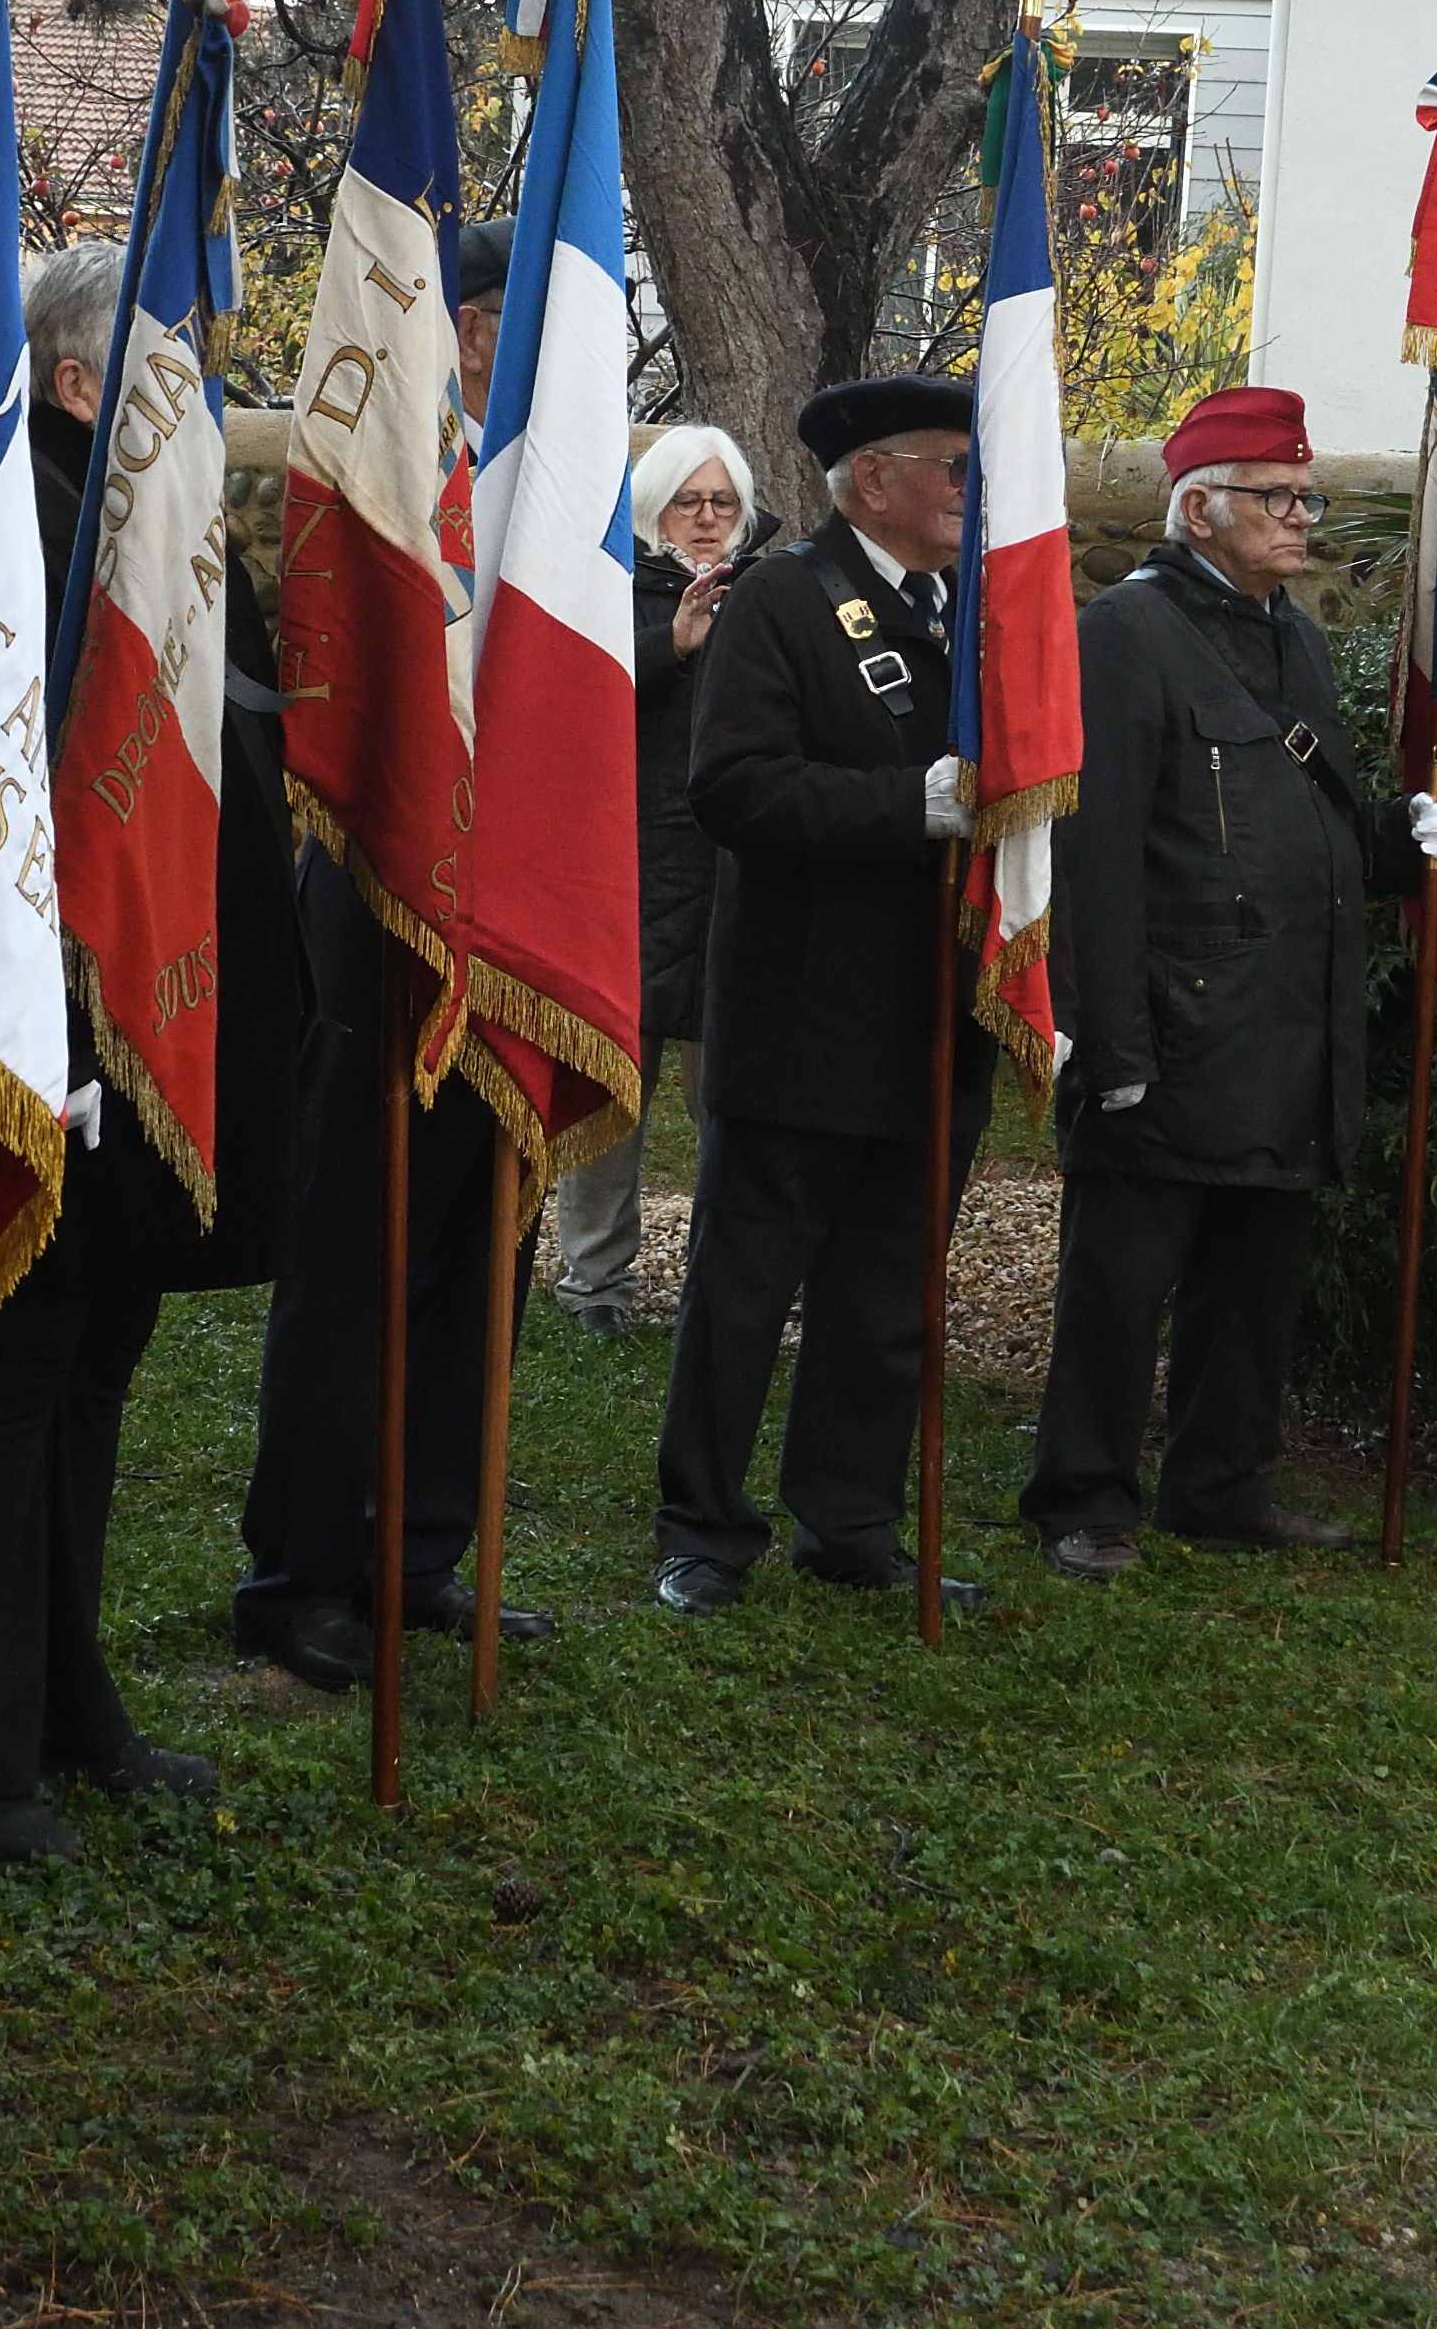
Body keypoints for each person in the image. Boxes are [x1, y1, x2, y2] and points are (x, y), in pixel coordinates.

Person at [0, 239, 270, 1859]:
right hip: (49, 1028)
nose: (203, 400)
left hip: (147, 1027)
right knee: (13, 1395)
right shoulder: (32, 532)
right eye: (167, 370)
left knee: (88, 1385)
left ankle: (63, 1700)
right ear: (76, 382)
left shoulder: (149, 527)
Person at [1027, 385, 1437, 1577]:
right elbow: (1094, 849)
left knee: (1255, 1276)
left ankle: (1221, 1484)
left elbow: (1306, 827)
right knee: (1121, 1280)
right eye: (1274, 497)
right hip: (1174, 1019)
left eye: (1305, 497)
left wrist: (1397, 837)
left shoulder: (1294, 637)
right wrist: (1107, 1041)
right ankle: (1082, 1495)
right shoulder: (1124, 634)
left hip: (1285, 1019)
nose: (1299, 518)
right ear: (1197, 509)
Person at [238, 218, 546, 1694]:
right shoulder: (392, 466)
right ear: (469, 330)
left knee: (479, 1245)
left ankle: (415, 1548)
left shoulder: (547, 484)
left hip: (513, 907)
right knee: (357, 1248)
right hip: (377, 903)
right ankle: (301, 1570)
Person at [647, 378, 1000, 1616]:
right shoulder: (783, 600)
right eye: (948, 466)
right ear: (871, 480)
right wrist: (908, 806)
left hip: (929, 1011)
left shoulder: (971, 611)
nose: (967, 488)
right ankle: (701, 1527)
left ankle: (848, 1518)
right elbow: (732, 787)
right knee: (742, 1287)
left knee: (886, 1288)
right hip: (803, 1010)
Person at [546, 420, 758, 1330]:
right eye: (687, 502)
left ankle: (727, 1281)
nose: (706, 519)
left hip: (737, 875)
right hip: (627, 872)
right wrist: (669, 643)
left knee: (730, 1097)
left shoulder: (770, 592)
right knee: (608, 1095)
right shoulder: (605, 585)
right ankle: (594, 1282)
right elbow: (569, 706)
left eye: (722, 503)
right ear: (652, 509)